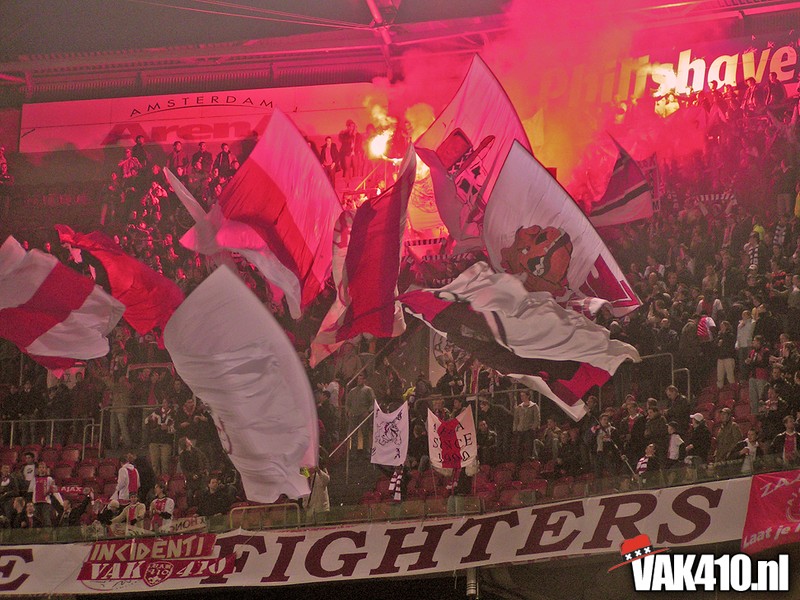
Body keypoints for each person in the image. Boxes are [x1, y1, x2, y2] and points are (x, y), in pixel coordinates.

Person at [145, 397, 176, 478]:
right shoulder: (156, 412)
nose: (164, 404)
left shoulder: (173, 414)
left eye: (166, 402)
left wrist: (168, 428)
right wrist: (154, 423)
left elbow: (175, 428)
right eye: (163, 402)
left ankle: (165, 481)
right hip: (154, 440)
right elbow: (146, 421)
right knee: (154, 463)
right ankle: (156, 481)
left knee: (165, 462)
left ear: (169, 404)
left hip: (166, 441)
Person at [347, 373, 376, 454]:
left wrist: (368, 411)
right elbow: (348, 403)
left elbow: (373, 402)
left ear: (364, 380)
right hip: (353, 415)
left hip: (363, 414)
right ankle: (353, 452)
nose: (359, 380)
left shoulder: (368, 390)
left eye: (361, 379)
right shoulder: (352, 391)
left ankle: (366, 452)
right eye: (358, 379)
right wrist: (348, 411)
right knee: (353, 434)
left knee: (365, 433)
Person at [512, 390, 540, 463]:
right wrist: (515, 429)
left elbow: (537, 419)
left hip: (529, 430)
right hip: (520, 430)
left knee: (528, 447)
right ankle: (519, 463)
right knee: (519, 448)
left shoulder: (534, 406)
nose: (522, 397)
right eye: (521, 395)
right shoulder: (519, 407)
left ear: (528, 396)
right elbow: (516, 419)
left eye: (523, 395)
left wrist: (533, 427)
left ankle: (528, 462)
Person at [28, 462, 56, 527]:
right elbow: (30, 491)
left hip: (46, 502)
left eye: (43, 467)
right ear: (38, 469)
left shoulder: (49, 479)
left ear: (46, 469)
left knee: (46, 519)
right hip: (36, 502)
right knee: (36, 520)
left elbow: (53, 490)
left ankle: (47, 531)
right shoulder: (34, 479)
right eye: (40, 467)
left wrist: (50, 490)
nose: (41, 469)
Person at [303, 457, 330, 523]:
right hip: (309, 511)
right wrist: (305, 505)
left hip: (320, 509)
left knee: (320, 528)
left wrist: (318, 470)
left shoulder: (319, 476)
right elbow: (304, 496)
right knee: (308, 528)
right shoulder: (305, 479)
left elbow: (327, 479)